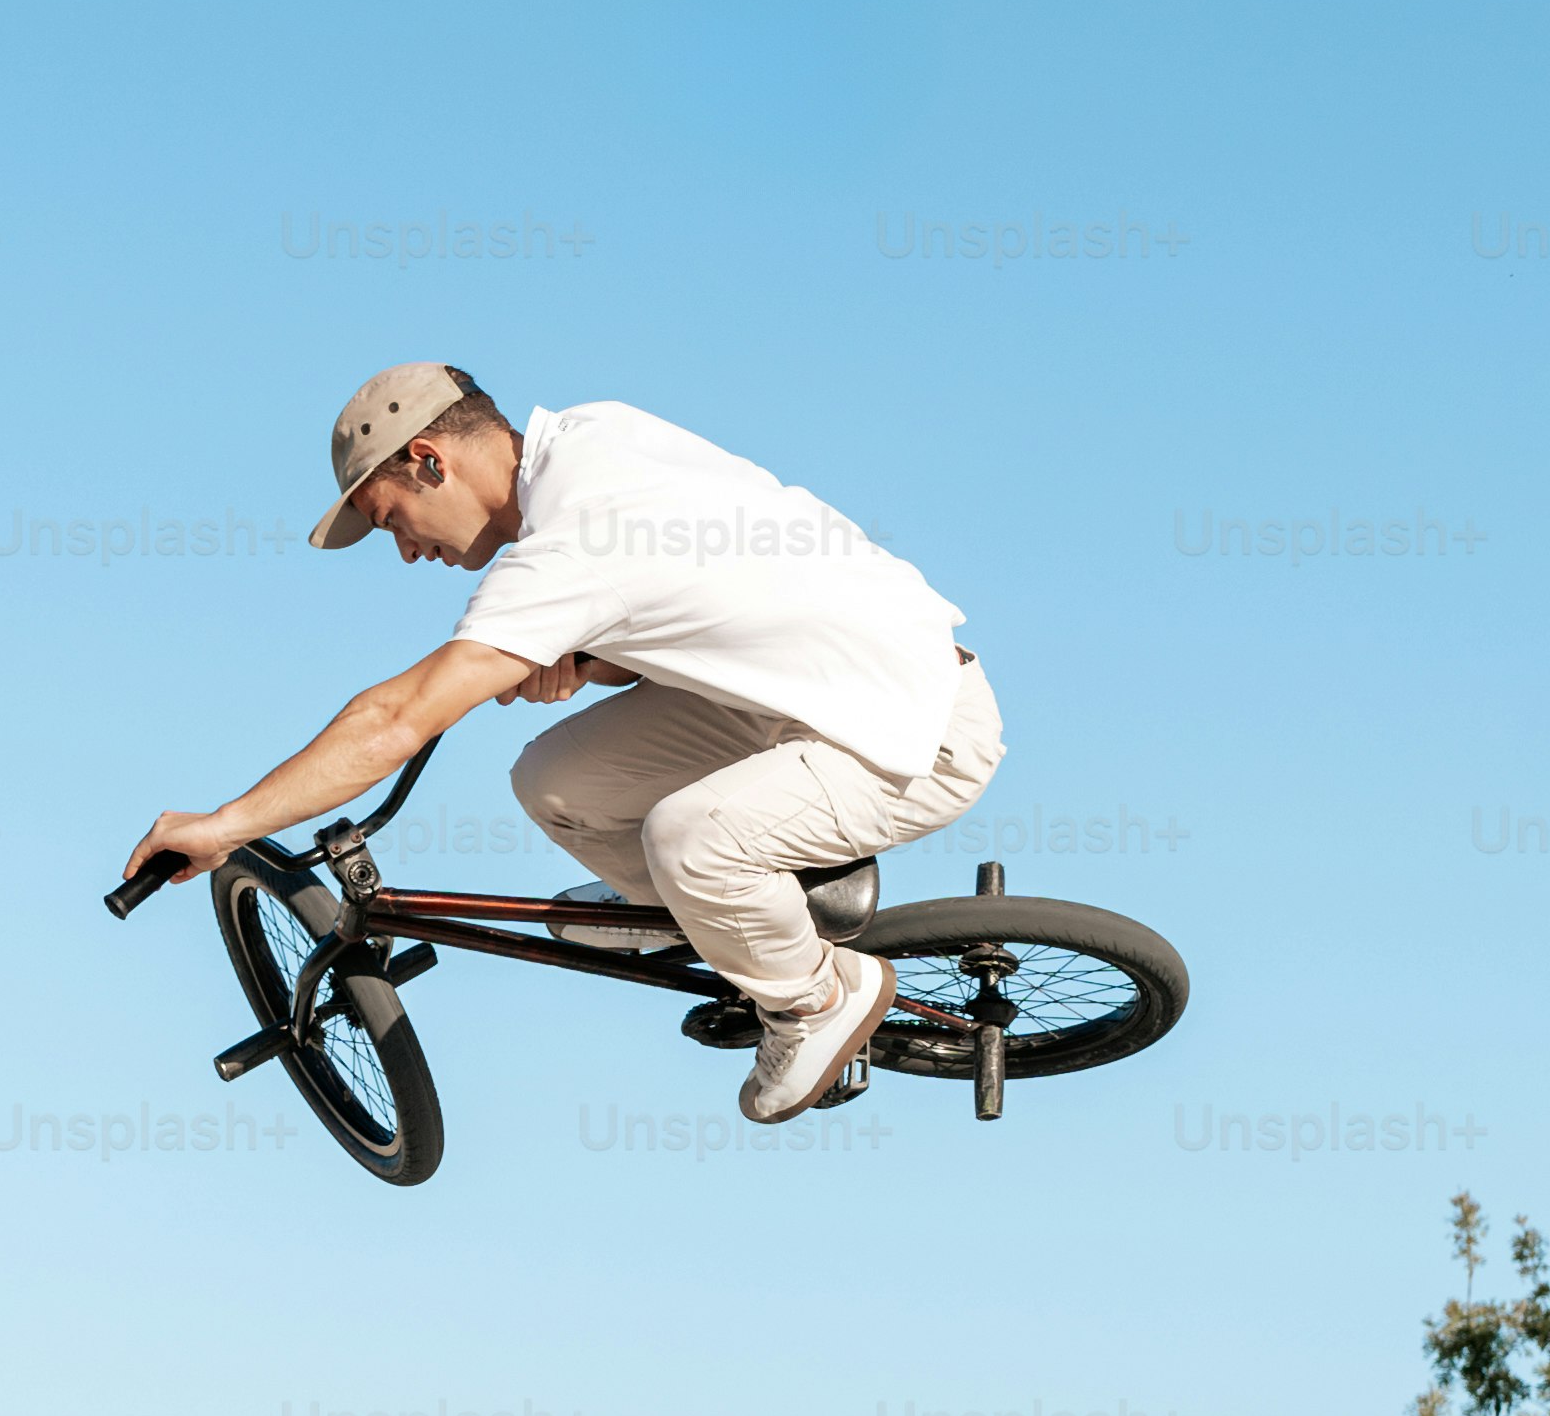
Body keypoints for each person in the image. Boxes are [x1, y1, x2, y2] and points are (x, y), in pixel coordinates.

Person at [127, 364, 997, 1126]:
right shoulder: (591, 437)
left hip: (916, 729)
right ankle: (703, 910)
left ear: (429, 459)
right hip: (813, 693)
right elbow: (702, 594)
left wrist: (227, 826)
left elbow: (397, 718)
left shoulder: (568, 543)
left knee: (690, 838)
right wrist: (589, 658)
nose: (406, 552)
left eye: (392, 519)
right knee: (555, 780)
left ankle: (816, 998)